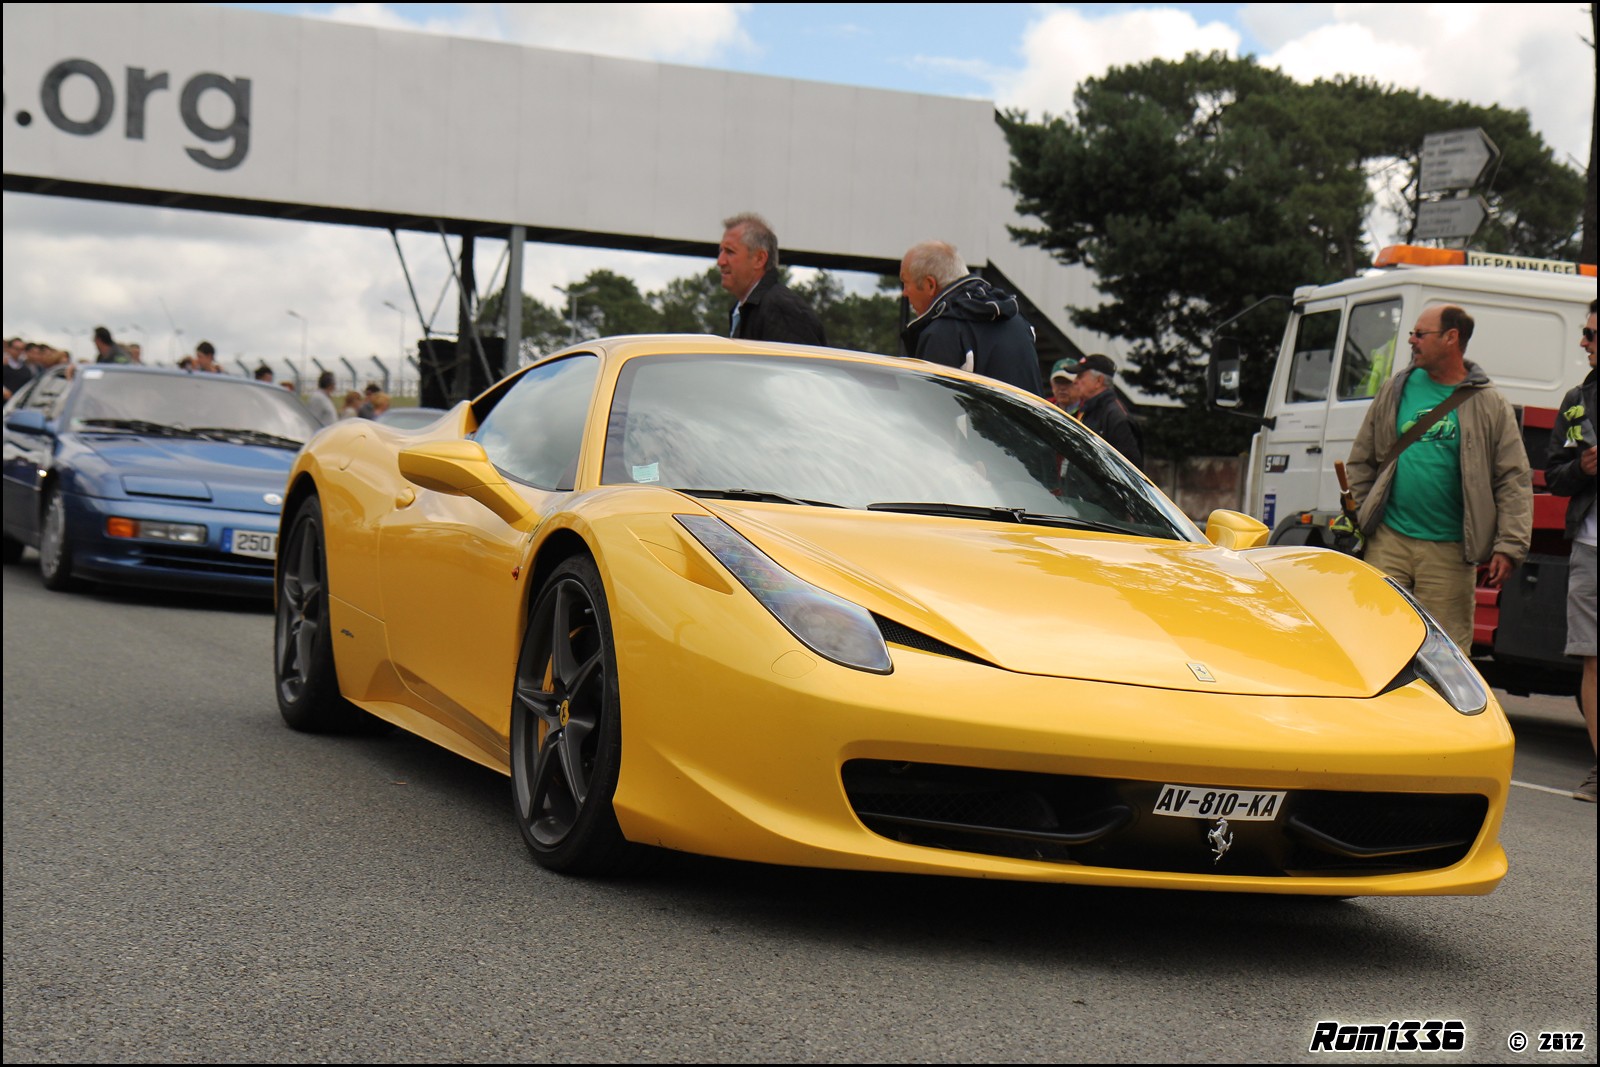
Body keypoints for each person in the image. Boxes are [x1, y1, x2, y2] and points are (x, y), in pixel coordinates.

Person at [1345, 305, 1531, 651]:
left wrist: (1510, 545)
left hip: (1449, 551)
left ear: (1451, 338)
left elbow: (1513, 479)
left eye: (1420, 334)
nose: (1412, 341)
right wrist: (1365, 510)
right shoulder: (1395, 389)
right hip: (1389, 542)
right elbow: (1361, 460)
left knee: (1443, 654)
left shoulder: (1489, 402)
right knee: (1374, 644)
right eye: (1412, 334)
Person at [1546, 299, 1597, 801]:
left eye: (1591, 334)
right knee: (1592, 662)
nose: (1584, 342)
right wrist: (1581, 470)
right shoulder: (1577, 399)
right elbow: (1553, 476)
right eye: (1585, 333)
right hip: (1590, 547)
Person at [898, 240, 1043, 396]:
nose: (904, 293)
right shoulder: (1017, 321)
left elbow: (929, 410)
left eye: (906, 283)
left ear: (930, 285)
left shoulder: (942, 333)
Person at [717, 212, 827, 346]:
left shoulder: (781, 310)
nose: (720, 261)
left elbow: (796, 365)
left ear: (759, 259)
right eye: (720, 251)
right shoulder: (751, 309)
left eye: (730, 252)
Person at [1061, 353, 1143, 469]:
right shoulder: (1088, 410)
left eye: (1080, 376)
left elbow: (1129, 471)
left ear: (1099, 381)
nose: (1075, 381)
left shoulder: (1116, 417)